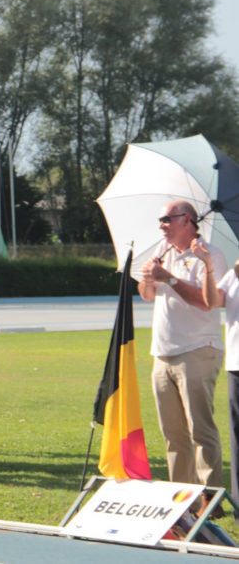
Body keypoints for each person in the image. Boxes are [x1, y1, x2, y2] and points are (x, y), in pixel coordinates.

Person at [139, 201, 225, 492]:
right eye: (161, 219)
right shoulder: (161, 252)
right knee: (173, 434)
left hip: (197, 349)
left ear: (187, 220)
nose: (161, 224)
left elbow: (206, 302)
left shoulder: (209, 255)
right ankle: (181, 498)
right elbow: (148, 296)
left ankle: (209, 498)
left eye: (167, 219)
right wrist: (149, 278)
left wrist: (170, 279)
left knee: (201, 429)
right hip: (162, 352)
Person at [194, 237, 239, 515]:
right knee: (237, 439)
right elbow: (212, 301)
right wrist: (208, 265)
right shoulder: (235, 272)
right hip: (236, 364)